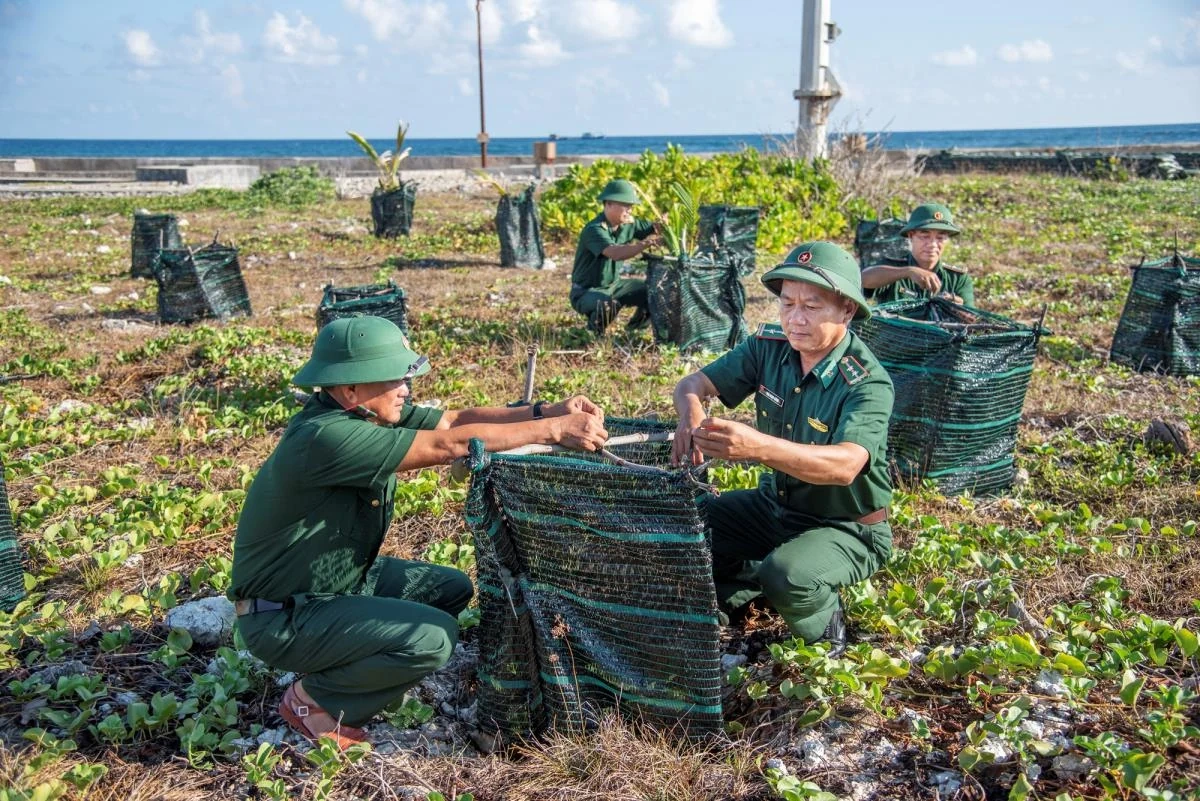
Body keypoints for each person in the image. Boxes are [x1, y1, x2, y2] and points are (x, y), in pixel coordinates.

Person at [229, 315, 608, 749]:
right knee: (431, 638)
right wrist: (552, 430)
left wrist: (545, 411)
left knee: (450, 589)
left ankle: (351, 659)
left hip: (337, 584)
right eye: (393, 379)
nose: (405, 388)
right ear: (350, 389)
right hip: (283, 615)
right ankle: (315, 700)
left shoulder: (364, 413)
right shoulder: (325, 436)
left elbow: (453, 421)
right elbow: (448, 445)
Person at [672, 242, 893, 654]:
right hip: (775, 507)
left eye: (811, 306)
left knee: (788, 574)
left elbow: (845, 465)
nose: (795, 318)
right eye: (787, 303)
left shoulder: (867, 382)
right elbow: (693, 383)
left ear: (846, 310)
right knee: (690, 526)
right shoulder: (769, 347)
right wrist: (691, 416)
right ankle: (744, 595)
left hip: (846, 525)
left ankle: (828, 631)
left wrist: (757, 447)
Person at [570, 178, 662, 334]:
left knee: (654, 292)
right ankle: (593, 335)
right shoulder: (594, 229)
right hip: (586, 292)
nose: (629, 210)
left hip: (614, 286)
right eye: (625, 205)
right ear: (608, 204)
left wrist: (662, 224)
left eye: (631, 206)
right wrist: (647, 243)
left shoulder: (628, 224)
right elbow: (616, 253)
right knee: (607, 304)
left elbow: (653, 227)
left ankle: (634, 331)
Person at [860, 202, 974, 306]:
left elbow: (973, 317)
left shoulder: (957, 279)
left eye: (940, 238)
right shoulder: (892, 268)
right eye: (925, 236)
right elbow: (863, 279)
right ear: (911, 236)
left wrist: (958, 307)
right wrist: (907, 272)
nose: (932, 244)